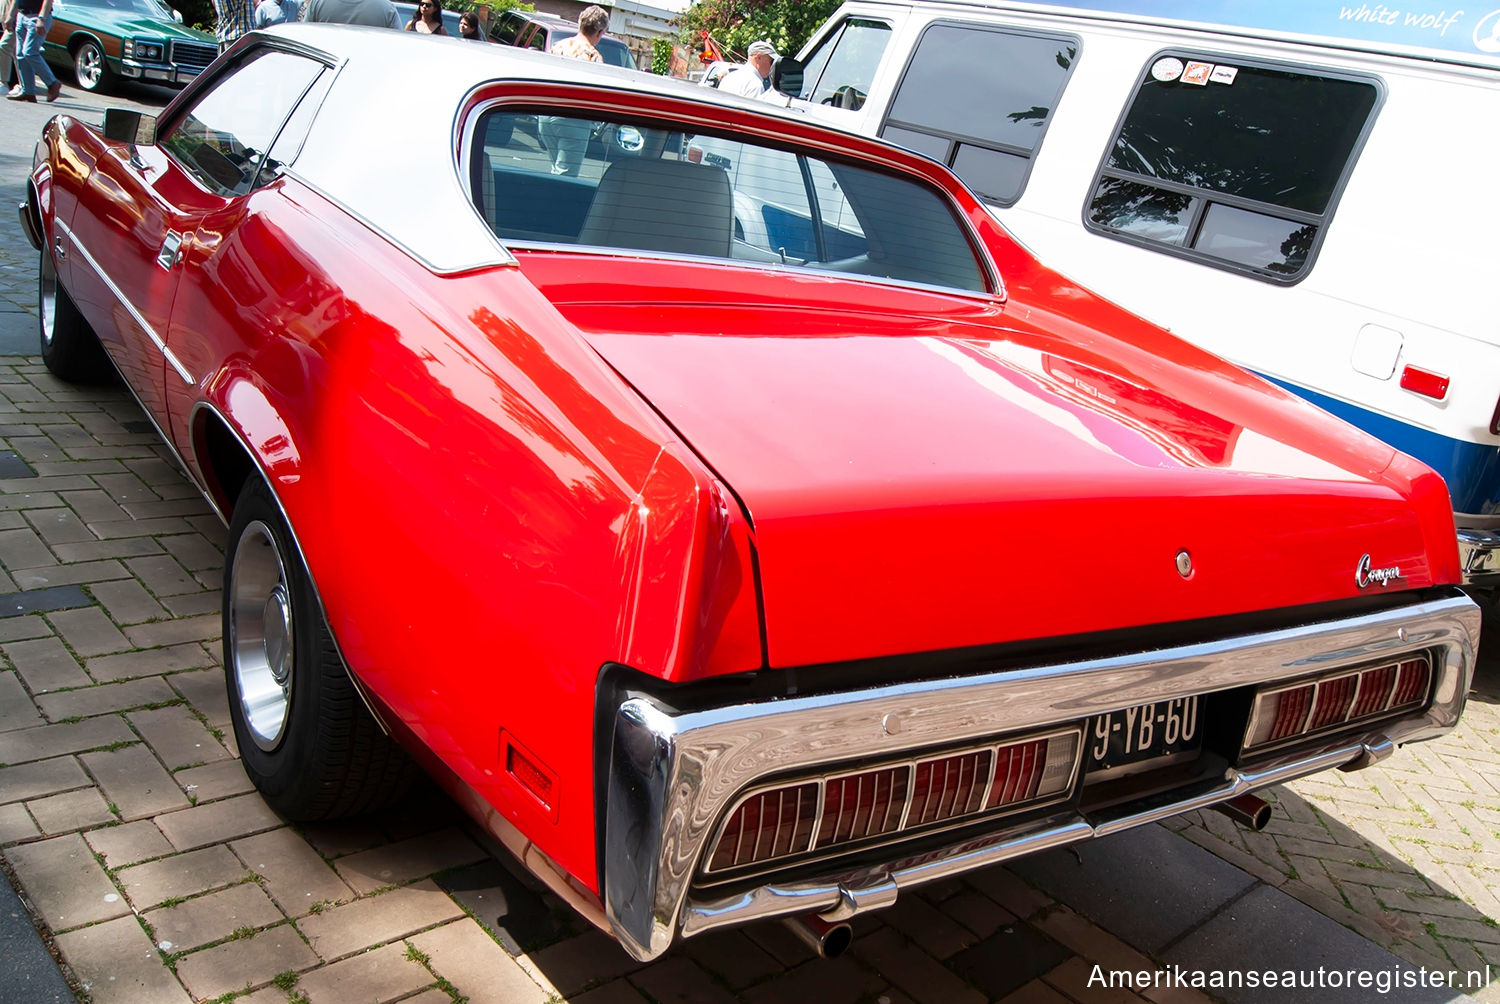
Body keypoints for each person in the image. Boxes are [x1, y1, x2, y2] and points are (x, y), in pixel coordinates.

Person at [537, 5, 609, 176]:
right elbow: (596, 94)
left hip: (545, 116)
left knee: (555, 169)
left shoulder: (557, 46)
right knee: (565, 175)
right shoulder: (594, 57)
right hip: (573, 120)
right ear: (599, 33)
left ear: (580, 24)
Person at [6, 0, 60, 103]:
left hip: (37, 17)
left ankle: (52, 83)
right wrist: (10, 15)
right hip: (22, 15)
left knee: (30, 52)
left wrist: (41, 18)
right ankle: (28, 92)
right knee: (20, 55)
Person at [301, 0, 400, 29]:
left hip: (327, 74)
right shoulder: (387, 9)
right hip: (371, 75)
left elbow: (303, 40)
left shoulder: (318, 3)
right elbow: (397, 49)